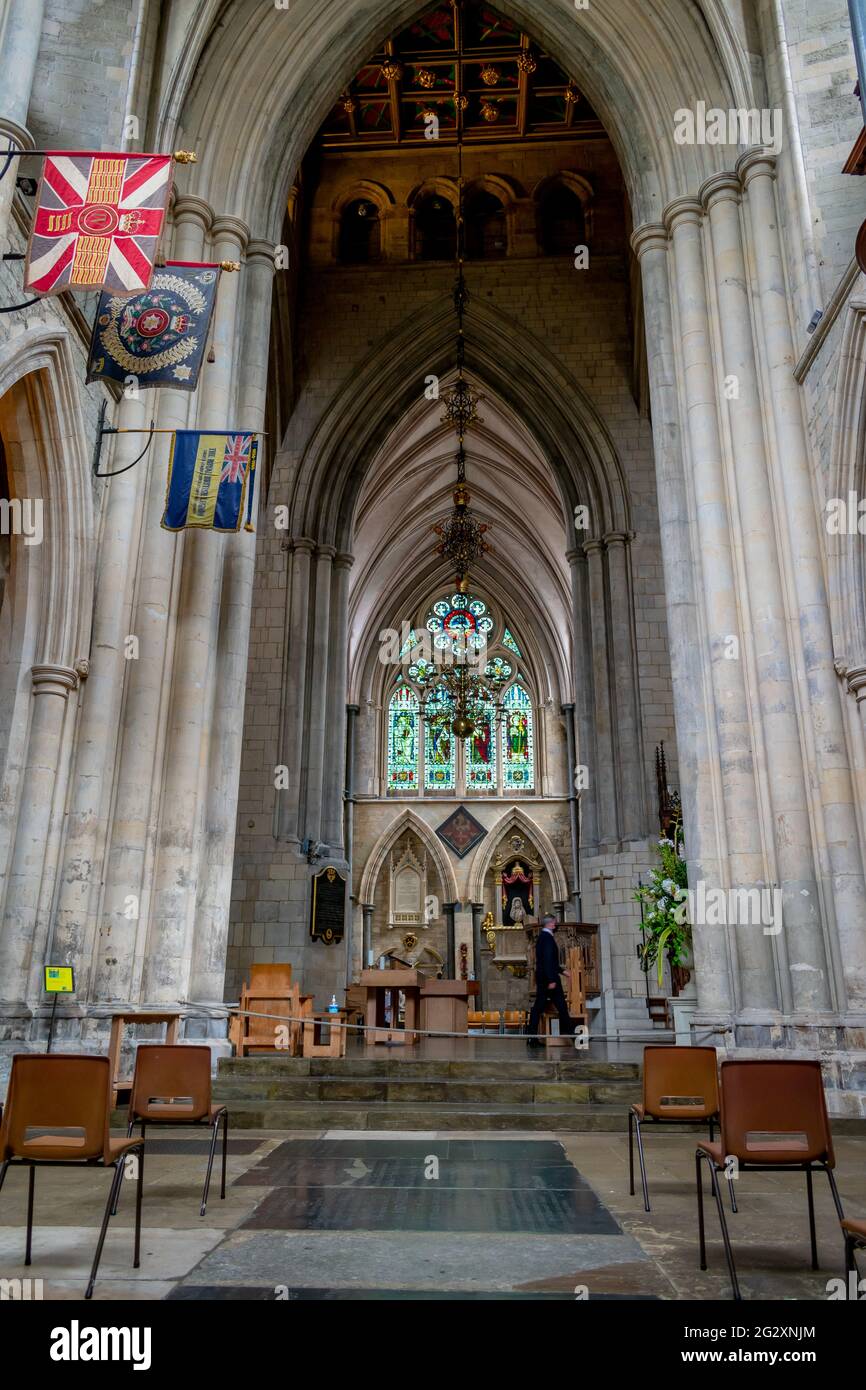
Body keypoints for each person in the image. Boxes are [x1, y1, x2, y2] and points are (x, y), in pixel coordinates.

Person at [526, 914, 575, 1047]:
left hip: (545, 978)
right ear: (550, 923)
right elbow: (547, 960)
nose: (556, 924)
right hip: (549, 980)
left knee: (539, 1008)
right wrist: (552, 980)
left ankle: (532, 1038)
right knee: (560, 1007)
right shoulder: (547, 938)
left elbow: (549, 962)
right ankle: (571, 1035)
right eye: (554, 922)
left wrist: (563, 971)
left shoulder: (543, 937)